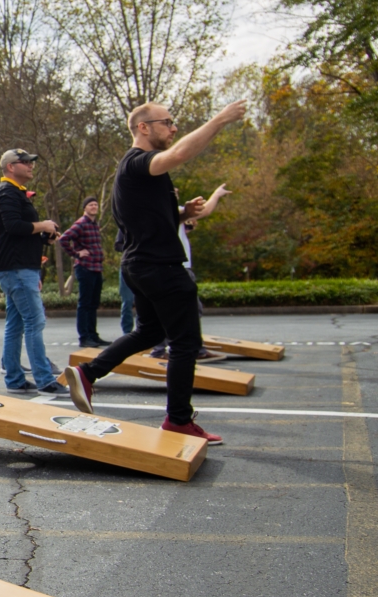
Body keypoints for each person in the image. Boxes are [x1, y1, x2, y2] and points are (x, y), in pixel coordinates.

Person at [60, 101, 247, 444]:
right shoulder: (137, 163)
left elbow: (144, 218)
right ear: (143, 127)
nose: (173, 129)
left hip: (140, 266)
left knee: (148, 332)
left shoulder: (134, 174)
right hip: (160, 268)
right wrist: (220, 119)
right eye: (167, 123)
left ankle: (87, 373)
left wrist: (181, 212)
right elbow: (175, 156)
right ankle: (178, 420)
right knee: (186, 343)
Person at [0, 149, 68, 395]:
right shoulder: (7, 193)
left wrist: (45, 236)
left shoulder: (15, 193)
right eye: (25, 162)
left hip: (19, 266)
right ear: (11, 167)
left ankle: (15, 379)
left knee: (15, 323)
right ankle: (45, 380)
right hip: (17, 269)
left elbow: (17, 231)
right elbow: (13, 227)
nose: (31, 166)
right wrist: (43, 225)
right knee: (35, 320)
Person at [150, 184, 232, 360]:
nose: (176, 196)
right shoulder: (168, 211)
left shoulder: (168, 211)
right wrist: (215, 194)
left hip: (174, 266)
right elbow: (204, 211)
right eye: (173, 193)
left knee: (178, 309)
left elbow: (199, 214)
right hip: (176, 267)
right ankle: (182, 349)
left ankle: (170, 349)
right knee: (188, 309)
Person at [57, 196, 111, 348]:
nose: (94, 207)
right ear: (85, 208)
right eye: (91, 205)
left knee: (93, 304)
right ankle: (84, 337)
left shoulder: (94, 224)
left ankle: (93, 335)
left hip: (96, 268)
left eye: (95, 205)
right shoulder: (80, 224)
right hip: (85, 267)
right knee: (85, 304)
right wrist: (76, 253)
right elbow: (64, 239)